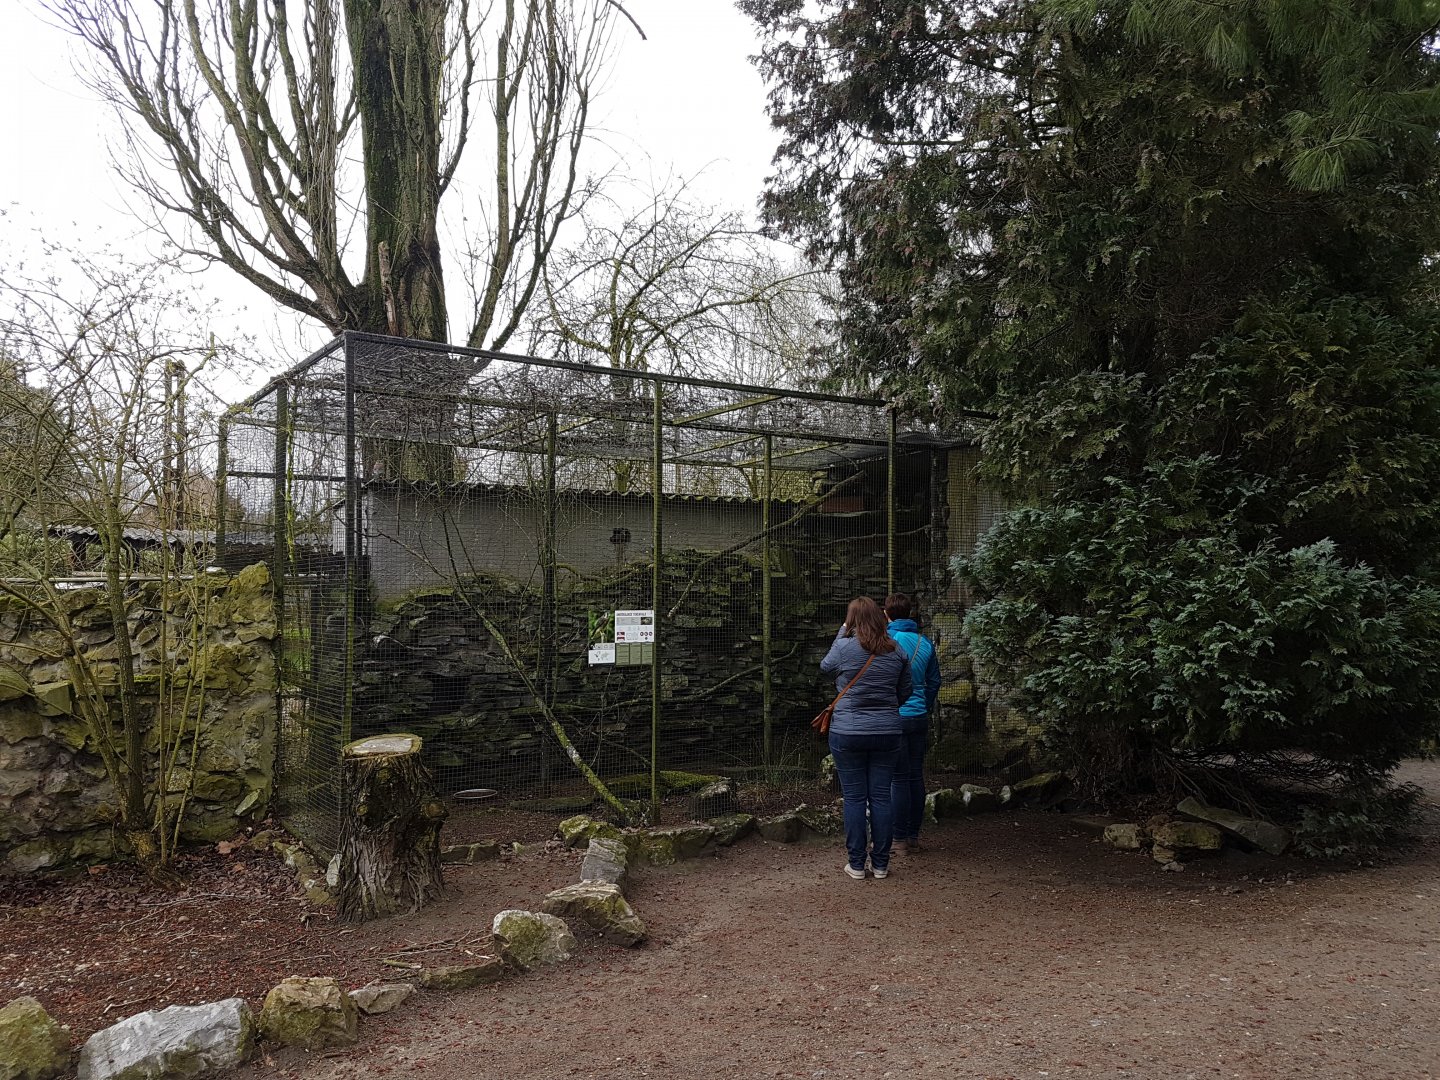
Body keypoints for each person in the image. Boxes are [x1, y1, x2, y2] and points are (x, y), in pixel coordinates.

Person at [820, 596, 912, 879]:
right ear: (881, 618)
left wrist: (843, 629)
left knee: (855, 798)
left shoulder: (845, 647)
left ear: (853, 620)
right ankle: (882, 864)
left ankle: (857, 864)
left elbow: (825, 668)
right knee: (882, 797)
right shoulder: (896, 650)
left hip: (848, 731)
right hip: (887, 731)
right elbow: (905, 691)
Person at [884, 593, 941, 854]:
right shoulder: (924, 642)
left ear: (887, 614)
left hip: (895, 716)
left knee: (897, 778)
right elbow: (934, 682)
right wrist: (924, 706)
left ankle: (897, 839)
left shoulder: (886, 641)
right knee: (916, 776)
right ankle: (913, 837)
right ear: (910, 614)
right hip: (918, 717)